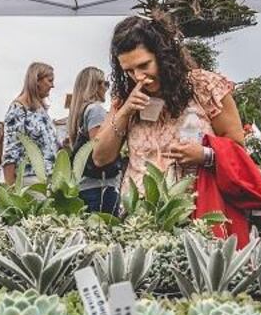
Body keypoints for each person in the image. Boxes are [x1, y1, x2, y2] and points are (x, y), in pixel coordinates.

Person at [92, 14, 247, 192]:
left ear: (162, 55)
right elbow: (100, 158)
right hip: (141, 215)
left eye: (144, 65)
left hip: (198, 210)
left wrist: (204, 155)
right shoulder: (125, 99)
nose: (138, 77)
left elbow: (238, 151)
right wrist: (125, 112)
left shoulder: (204, 87)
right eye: (129, 71)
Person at [65, 66, 122, 213]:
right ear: (95, 86)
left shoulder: (79, 112)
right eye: (105, 84)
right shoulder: (95, 110)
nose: (107, 88)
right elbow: (100, 148)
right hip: (100, 186)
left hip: (84, 185)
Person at [1, 61, 59, 184]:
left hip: (49, 179)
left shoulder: (40, 109)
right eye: (49, 80)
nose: (52, 85)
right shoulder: (18, 109)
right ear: (36, 80)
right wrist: (11, 190)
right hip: (31, 182)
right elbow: (10, 153)